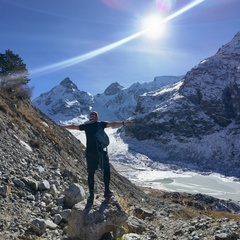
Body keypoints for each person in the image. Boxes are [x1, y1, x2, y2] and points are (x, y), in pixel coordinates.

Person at [61, 111, 132, 204]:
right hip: (100, 153)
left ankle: (91, 195)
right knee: (106, 169)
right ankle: (106, 191)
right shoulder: (100, 124)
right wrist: (123, 123)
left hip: (90, 152)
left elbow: (74, 126)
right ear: (97, 118)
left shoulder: (86, 126)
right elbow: (113, 124)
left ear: (90, 118)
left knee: (91, 173)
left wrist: (63, 127)